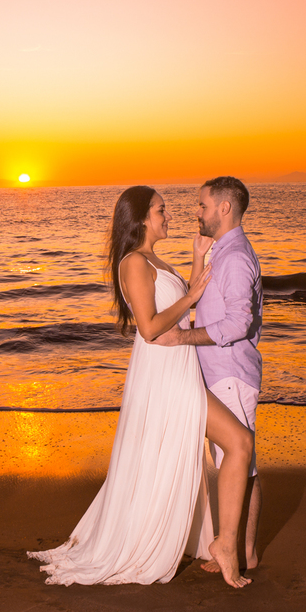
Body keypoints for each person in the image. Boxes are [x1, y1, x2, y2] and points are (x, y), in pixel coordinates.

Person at [28, 186, 254, 588]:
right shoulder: (133, 262)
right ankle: (226, 546)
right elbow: (150, 327)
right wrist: (193, 297)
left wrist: (198, 258)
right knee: (238, 442)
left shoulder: (154, 260)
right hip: (165, 373)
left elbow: (177, 303)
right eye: (161, 210)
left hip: (179, 370)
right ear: (141, 218)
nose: (169, 216)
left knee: (217, 447)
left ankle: (222, 542)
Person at [155, 176, 263, 572]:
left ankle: (237, 551)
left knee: (240, 464)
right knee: (239, 463)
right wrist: (198, 255)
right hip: (222, 372)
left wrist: (183, 339)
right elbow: (199, 296)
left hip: (230, 373)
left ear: (224, 208)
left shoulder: (234, 257)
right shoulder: (224, 251)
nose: (196, 212)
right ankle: (240, 550)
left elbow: (237, 324)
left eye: (202, 205)